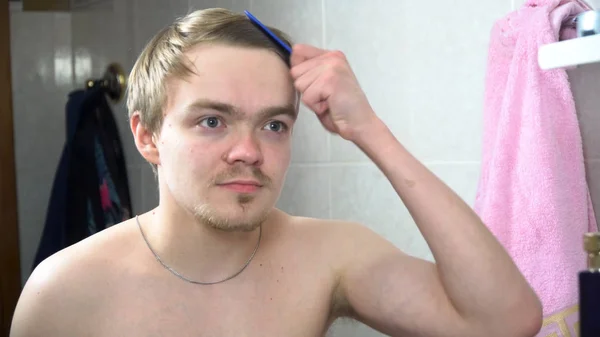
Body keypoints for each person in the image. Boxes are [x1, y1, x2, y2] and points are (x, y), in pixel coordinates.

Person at [10, 8, 543, 337]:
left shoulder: (330, 256)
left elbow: (505, 321)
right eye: (212, 120)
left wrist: (370, 130)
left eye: (274, 125)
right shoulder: (65, 291)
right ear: (148, 136)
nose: (248, 151)